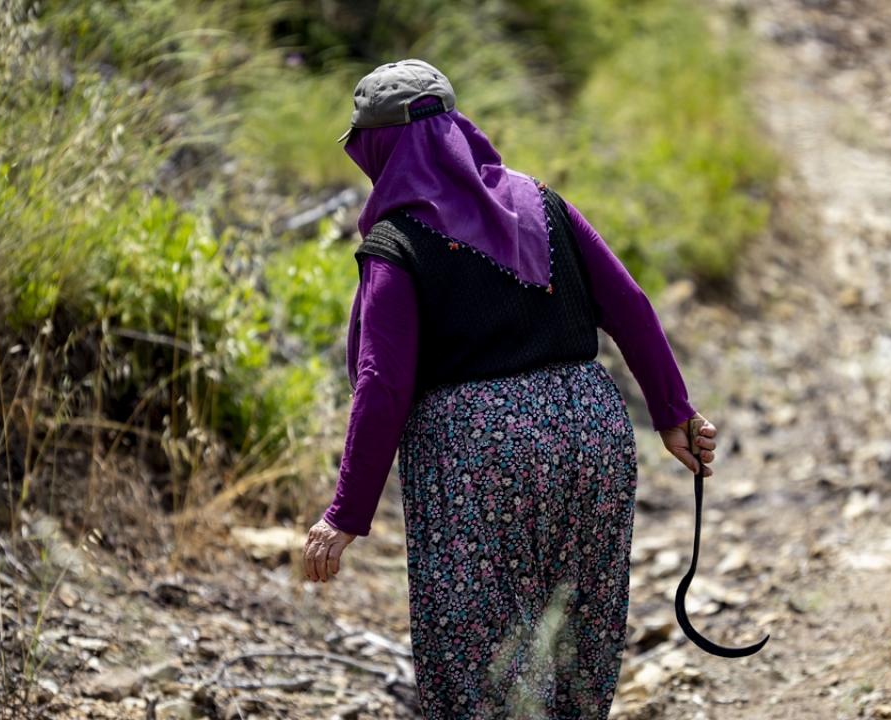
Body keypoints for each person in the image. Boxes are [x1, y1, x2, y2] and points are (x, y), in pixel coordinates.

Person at [301, 58, 718, 720]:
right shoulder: (542, 202)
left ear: (377, 149)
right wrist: (674, 414)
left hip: (476, 457)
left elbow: (382, 384)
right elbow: (631, 306)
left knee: (479, 654)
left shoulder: (397, 243)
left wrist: (345, 515)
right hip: (591, 431)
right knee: (577, 632)